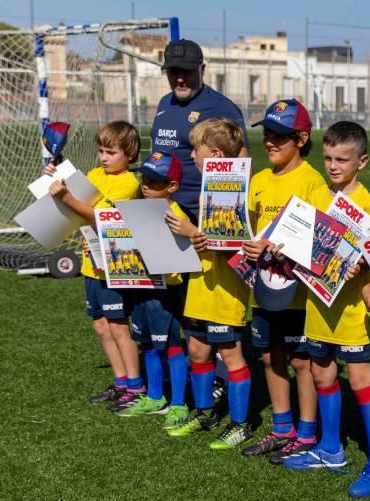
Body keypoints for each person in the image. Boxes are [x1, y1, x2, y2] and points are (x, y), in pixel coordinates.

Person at [284, 122, 370, 500]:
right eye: (328, 157)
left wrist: (360, 262)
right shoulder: (315, 192)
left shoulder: (369, 205)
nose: (332, 166)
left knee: (361, 382)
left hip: (348, 313)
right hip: (317, 304)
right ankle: (331, 448)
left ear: (361, 161)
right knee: (322, 373)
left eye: (342, 159)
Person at [240, 99, 329, 456]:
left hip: (297, 291)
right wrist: (248, 247)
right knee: (268, 356)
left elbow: (322, 238)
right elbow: (246, 227)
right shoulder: (259, 180)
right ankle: (281, 427)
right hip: (262, 287)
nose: (270, 142)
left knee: (300, 360)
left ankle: (306, 432)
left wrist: (286, 249)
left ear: (302, 138)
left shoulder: (313, 182)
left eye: (280, 136)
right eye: (268, 134)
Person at [163, 118, 253, 439]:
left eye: (195, 150)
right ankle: (205, 414)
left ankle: (241, 424)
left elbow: (230, 244)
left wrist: (192, 232)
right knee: (198, 351)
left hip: (225, 292)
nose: (191, 156)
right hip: (200, 287)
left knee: (230, 355)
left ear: (214, 154)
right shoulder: (207, 191)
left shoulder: (234, 189)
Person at [44, 121, 142, 408]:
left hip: (115, 267)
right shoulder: (94, 174)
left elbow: (99, 217)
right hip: (91, 264)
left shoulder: (129, 183)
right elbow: (79, 198)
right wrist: (57, 172)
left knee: (119, 327)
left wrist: (65, 196)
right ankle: (120, 381)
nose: (103, 157)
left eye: (111, 152)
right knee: (101, 327)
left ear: (130, 154)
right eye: (101, 151)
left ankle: (135, 387)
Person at [117, 151, 189, 420]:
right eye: (144, 179)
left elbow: (182, 257)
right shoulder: (137, 211)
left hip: (166, 292)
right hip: (139, 287)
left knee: (171, 346)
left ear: (172, 187)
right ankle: (154, 397)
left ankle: (180, 403)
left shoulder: (176, 216)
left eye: (155, 182)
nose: (146, 185)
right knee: (147, 344)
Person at [150, 39, 249, 223]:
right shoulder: (165, 102)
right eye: (173, 72)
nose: (180, 78)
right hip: (161, 213)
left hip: (199, 220)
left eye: (186, 71)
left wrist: (218, 222)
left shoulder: (221, 107)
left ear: (202, 69)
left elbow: (241, 168)